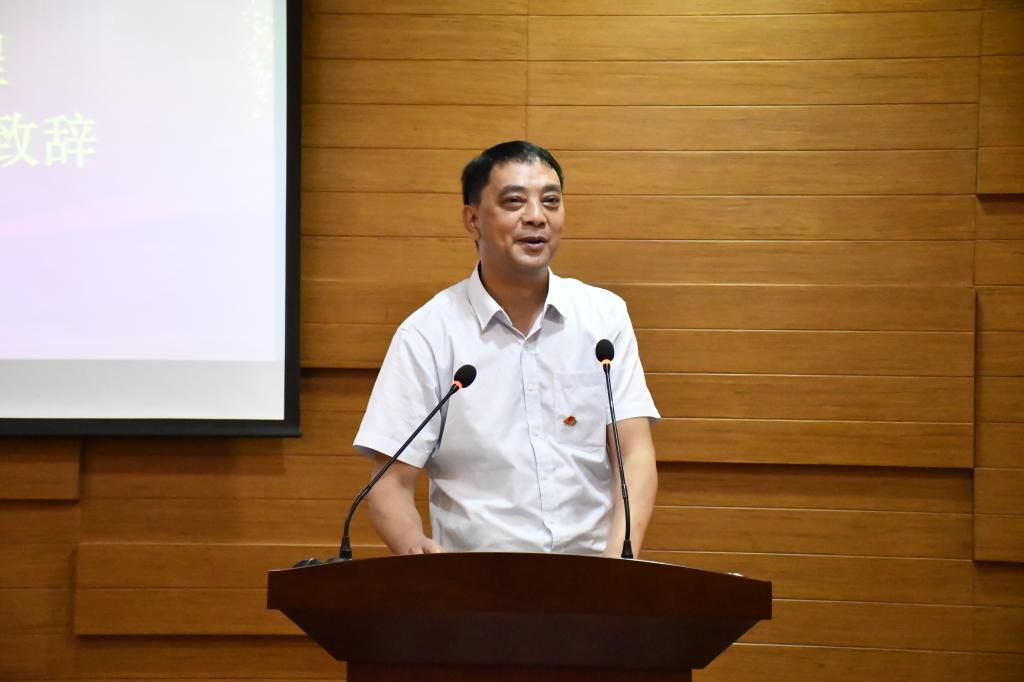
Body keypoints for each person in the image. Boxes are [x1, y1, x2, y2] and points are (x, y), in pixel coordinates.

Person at [354, 141, 659, 557]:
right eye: (515, 201)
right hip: (475, 583)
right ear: (473, 220)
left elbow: (635, 454)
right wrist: (419, 555)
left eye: (550, 201)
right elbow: (390, 483)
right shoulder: (428, 334)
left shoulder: (603, 318)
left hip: (592, 576)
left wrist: (617, 565)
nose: (536, 216)